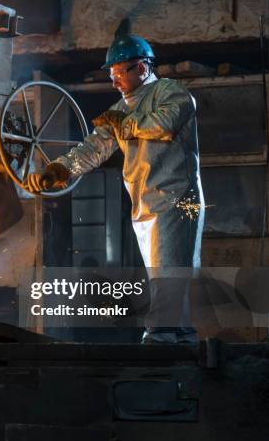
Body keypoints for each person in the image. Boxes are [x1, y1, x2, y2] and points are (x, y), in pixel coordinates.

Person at [25, 34, 205, 344]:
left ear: (142, 68)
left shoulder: (173, 93)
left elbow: (163, 125)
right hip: (145, 201)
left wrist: (123, 123)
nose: (113, 80)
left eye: (119, 72)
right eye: (111, 74)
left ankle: (161, 336)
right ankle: (181, 336)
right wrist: (62, 169)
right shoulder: (121, 109)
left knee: (170, 271)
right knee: (164, 273)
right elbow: (95, 146)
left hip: (177, 198)